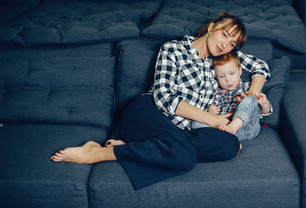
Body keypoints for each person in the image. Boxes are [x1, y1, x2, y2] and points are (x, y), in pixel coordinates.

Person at [50, 12, 270, 190]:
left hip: (181, 132)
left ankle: (141, 148)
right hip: (149, 112)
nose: (226, 46)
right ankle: (97, 153)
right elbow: (164, 98)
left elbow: (260, 66)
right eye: (224, 35)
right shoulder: (173, 49)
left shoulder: (220, 59)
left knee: (230, 145)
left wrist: (250, 95)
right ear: (212, 27)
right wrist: (212, 120)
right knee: (183, 156)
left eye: (232, 44)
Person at [191, 50, 272, 142]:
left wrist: (264, 104)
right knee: (195, 124)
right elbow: (216, 118)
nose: (228, 79)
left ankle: (231, 129)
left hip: (247, 128)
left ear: (240, 70)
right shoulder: (218, 94)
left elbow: (265, 112)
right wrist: (211, 113)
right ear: (216, 77)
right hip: (224, 128)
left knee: (250, 98)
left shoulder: (247, 87)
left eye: (232, 74)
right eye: (221, 76)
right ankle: (225, 138)